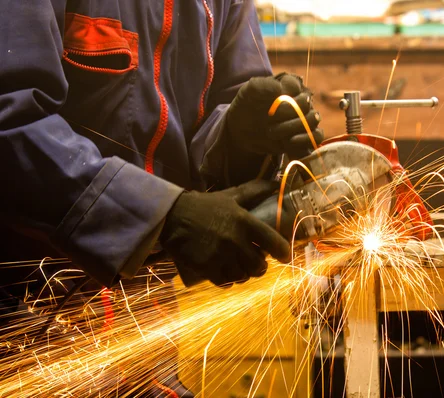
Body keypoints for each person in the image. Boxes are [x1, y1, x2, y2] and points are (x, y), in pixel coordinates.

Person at [0, 1, 323, 396]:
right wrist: (165, 216)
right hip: (23, 316)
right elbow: (10, 121)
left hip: (139, 323)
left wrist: (240, 139)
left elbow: (212, 119)